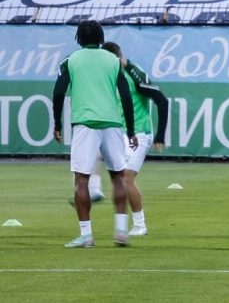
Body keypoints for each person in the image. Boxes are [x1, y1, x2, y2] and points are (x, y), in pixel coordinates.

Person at [50, 20, 137, 248]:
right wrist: (130, 130)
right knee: (118, 176)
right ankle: (121, 231)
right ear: (101, 37)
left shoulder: (71, 60)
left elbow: (58, 92)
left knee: (82, 179)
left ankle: (86, 236)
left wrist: (57, 123)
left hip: (85, 123)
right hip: (112, 123)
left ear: (79, 38)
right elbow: (126, 96)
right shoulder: (113, 60)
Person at [102, 42, 169, 237]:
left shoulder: (134, 72)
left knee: (126, 178)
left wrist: (160, 135)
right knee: (118, 179)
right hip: (118, 133)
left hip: (139, 133)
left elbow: (162, 100)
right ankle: (123, 225)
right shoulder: (109, 75)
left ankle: (140, 225)